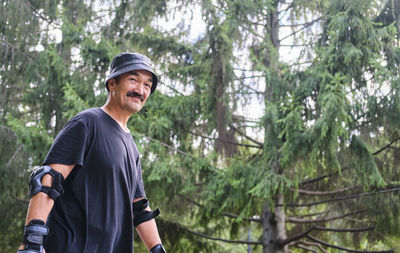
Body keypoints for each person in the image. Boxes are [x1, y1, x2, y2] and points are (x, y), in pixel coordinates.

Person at [17, 52, 167, 253]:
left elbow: (139, 208)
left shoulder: (131, 145)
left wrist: (157, 249)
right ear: (112, 84)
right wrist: (32, 242)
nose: (140, 90)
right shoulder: (87, 123)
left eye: (147, 85)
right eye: (133, 80)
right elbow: (48, 180)